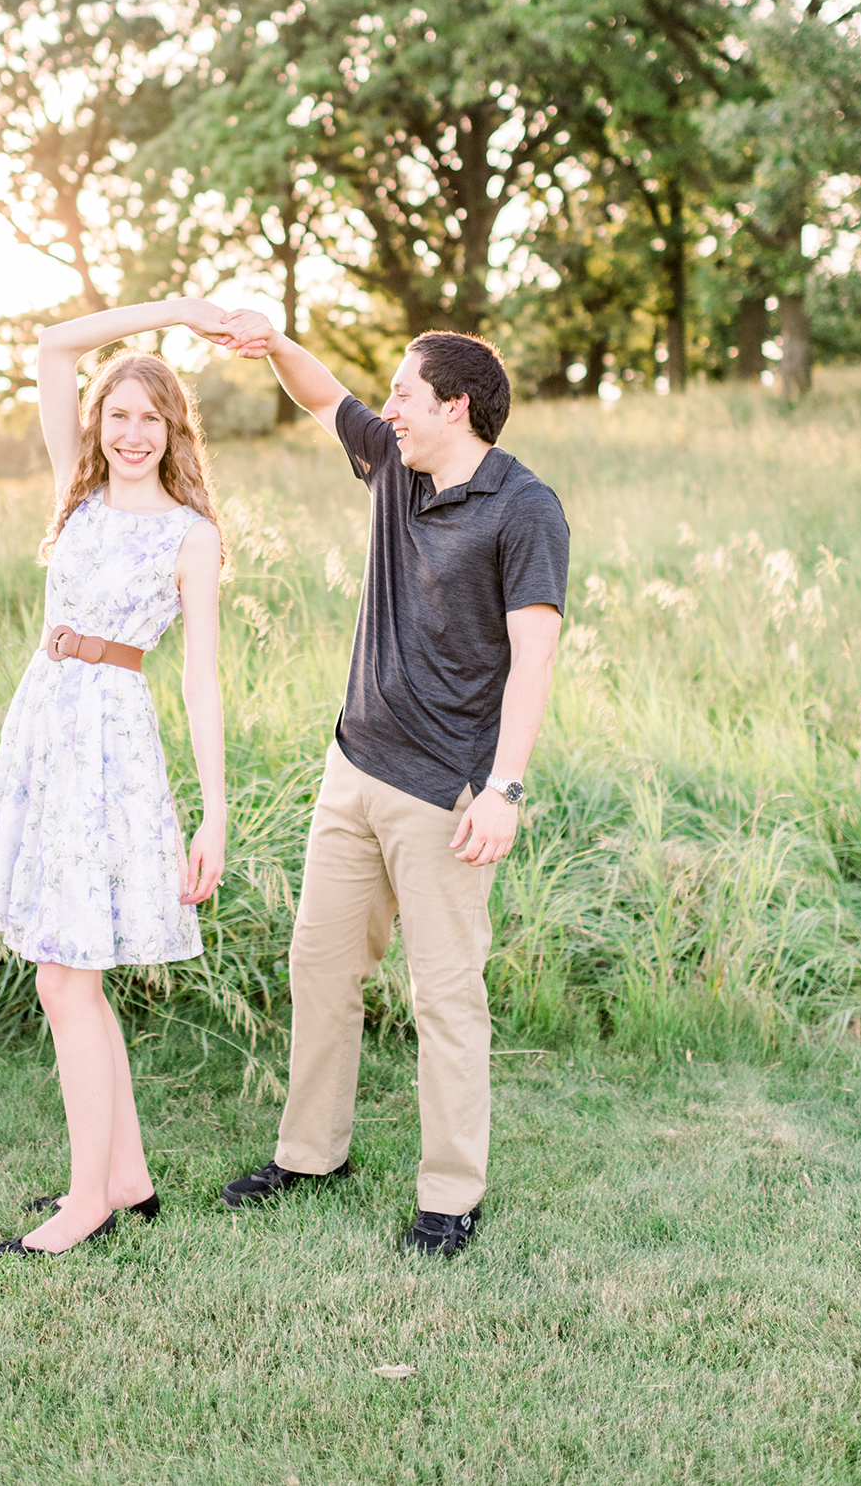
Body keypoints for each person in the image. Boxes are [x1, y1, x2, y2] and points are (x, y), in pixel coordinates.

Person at [217, 318, 568, 1256]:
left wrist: (506, 789)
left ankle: (451, 1196)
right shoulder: (393, 467)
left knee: (446, 997)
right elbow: (323, 394)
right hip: (353, 770)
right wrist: (274, 340)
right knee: (320, 967)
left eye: (406, 393)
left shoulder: (524, 508)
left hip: (446, 795)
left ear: (455, 405)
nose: (391, 408)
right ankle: (309, 1154)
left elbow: (535, 656)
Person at [0, 296, 234, 1256]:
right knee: (63, 971)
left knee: (68, 975)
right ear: (99, 425)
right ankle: (126, 1178)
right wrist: (176, 312)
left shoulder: (187, 534)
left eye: (149, 418)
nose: (130, 433)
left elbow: (202, 676)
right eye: (116, 415)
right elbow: (49, 343)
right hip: (45, 726)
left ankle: (89, 1203)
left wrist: (213, 811)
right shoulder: (73, 500)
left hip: (114, 744)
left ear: (173, 433)